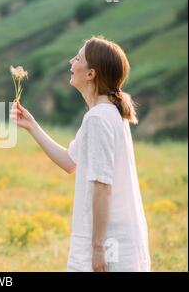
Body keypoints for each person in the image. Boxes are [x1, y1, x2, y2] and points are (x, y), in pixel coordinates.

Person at [10, 36, 150, 272]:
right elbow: (69, 162)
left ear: (90, 74)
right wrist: (32, 126)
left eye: (77, 58)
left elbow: (102, 187)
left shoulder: (98, 118)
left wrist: (97, 248)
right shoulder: (107, 113)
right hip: (113, 237)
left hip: (107, 241)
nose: (71, 62)